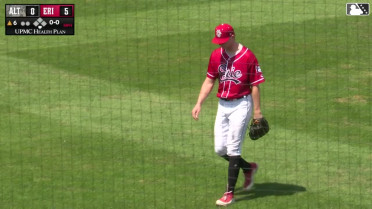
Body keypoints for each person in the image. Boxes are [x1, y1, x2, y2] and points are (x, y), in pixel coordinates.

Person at [191, 23, 265, 206]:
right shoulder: (216, 55)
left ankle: (229, 193)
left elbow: (255, 85)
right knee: (219, 149)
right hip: (223, 105)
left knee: (233, 148)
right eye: (218, 41)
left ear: (232, 36)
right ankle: (248, 168)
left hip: (242, 104)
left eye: (223, 41)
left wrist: (258, 113)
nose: (220, 44)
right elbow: (209, 80)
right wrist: (199, 102)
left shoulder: (248, 56)